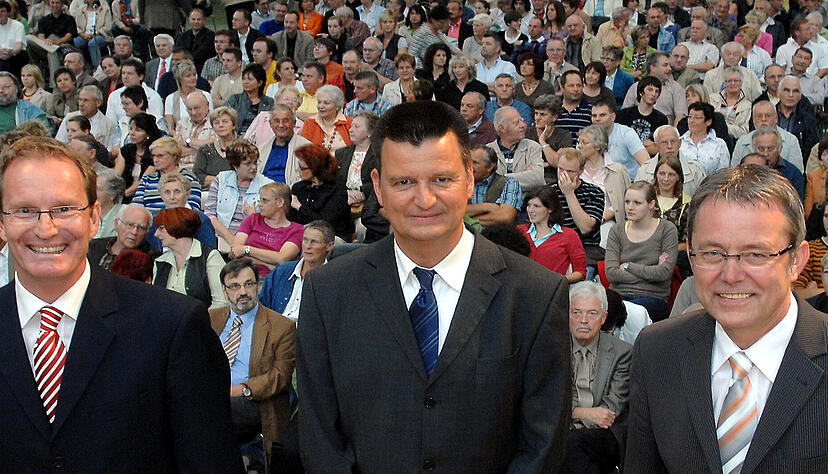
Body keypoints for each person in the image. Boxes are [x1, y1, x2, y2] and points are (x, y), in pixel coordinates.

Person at [296, 99, 570, 472]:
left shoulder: (537, 294)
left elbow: (542, 444)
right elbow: (320, 436)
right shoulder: (327, 292)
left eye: (442, 179)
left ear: (470, 178)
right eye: (403, 182)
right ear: (377, 186)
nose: (424, 200)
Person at [0, 136, 243, 471]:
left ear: (94, 217)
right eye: (25, 210)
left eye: (64, 209)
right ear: (2, 222)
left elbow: (209, 461)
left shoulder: (172, 325)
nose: (46, 229)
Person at [625, 164, 828, 472]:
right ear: (691, 254)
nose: (731, 275)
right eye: (712, 253)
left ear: (796, 260)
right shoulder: (656, 351)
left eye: (756, 254)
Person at [209, 257, 296, 462]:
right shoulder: (210, 319)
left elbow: (280, 377)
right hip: (210, 394)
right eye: (235, 286)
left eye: (249, 284)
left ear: (258, 286)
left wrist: (240, 389)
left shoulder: (281, 326)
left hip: (252, 400)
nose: (243, 292)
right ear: (224, 290)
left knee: (211, 411)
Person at [565, 281, 632, 474]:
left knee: (571, 445)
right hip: (565, 430)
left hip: (605, 432)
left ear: (603, 318)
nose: (583, 320)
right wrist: (581, 414)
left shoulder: (622, 353)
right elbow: (550, 402)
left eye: (591, 313)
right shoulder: (554, 349)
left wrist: (577, 421)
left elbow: (611, 409)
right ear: (567, 316)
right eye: (576, 312)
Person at [605, 181, 678, 322]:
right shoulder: (617, 230)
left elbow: (664, 273)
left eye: (637, 203)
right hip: (619, 295)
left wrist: (628, 267)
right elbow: (611, 273)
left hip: (653, 297)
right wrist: (652, 273)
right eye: (627, 202)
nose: (630, 207)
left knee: (630, 312)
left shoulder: (667, 229)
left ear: (651, 204)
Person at [259, 219, 334, 320]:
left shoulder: (333, 280)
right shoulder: (281, 271)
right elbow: (262, 306)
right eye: (305, 240)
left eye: (314, 242)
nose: (308, 246)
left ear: (329, 246)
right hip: (274, 330)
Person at [152, 207, 227, 309]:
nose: (156, 234)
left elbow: (221, 303)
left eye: (161, 228)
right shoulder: (160, 262)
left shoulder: (209, 257)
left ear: (177, 227)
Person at [206, 139, 275, 248]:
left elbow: (272, 222)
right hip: (221, 238)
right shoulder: (221, 180)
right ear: (235, 166)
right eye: (248, 164)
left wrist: (253, 217)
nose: (254, 167)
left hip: (252, 242)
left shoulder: (268, 185)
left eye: (255, 163)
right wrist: (231, 239)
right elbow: (210, 215)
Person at [230, 182, 303, 277]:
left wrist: (246, 250)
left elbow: (282, 258)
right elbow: (235, 251)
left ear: (280, 202)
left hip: (273, 278)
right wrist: (269, 263)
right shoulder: (252, 219)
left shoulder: (297, 230)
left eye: (265, 200)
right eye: (260, 200)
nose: (259, 204)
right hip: (243, 274)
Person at [518, 186, 586, 281]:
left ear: (550, 208)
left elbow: (580, 272)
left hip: (552, 292)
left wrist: (558, 282)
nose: (530, 210)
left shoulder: (569, 235)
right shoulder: (519, 231)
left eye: (536, 206)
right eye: (529, 205)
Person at [289, 143, 352, 240]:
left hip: (331, 237)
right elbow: (292, 220)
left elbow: (327, 223)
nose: (298, 170)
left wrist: (300, 207)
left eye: (303, 168)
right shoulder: (298, 187)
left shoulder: (337, 190)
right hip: (302, 235)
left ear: (316, 169)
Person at [577, 124, 631, 224]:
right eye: (579, 142)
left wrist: (600, 219)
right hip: (578, 221)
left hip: (606, 220)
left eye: (584, 142)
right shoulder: (576, 169)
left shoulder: (618, 170)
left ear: (598, 146)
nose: (579, 146)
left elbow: (623, 201)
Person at [133, 136, 202, 213]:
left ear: (174, 156)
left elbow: (193, 210)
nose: (155, 160)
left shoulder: (189, 178)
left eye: (160, 156)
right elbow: (136, 208)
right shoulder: (147, 180)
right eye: (153, 156)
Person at [486, 105, 545, 193]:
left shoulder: (533, 147)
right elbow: (485, 182)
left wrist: (499, 180)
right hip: (495, 204)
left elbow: (538, 178)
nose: (523, 125)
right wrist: (525, 175)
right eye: (516, 123)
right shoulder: (487, 150)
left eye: (522, 120)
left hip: (526, 204)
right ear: (502, 128)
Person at [88, 203, 161, 269]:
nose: (134, 232)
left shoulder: (153, 259)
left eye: (141, 228)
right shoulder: (94, 246)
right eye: (129, 225)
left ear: (147, 232)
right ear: (116, 224)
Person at [623, 50, 688, 126]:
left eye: (669, 65)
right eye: (665, 65)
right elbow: (625, 114)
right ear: (653, 67)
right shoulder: (635, 87)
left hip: (665, 132)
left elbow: (680, 116)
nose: (669, 68)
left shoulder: (676, 88)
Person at [652, 154, 691, 276]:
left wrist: (665, 253)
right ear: (656, 175)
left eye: (671, 175)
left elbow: (687, 243)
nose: (666, 179)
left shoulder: (686, 204)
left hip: (674, 256)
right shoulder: (647, 198)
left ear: (678, 177)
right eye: (662, 174)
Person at [466, 145, 523, 226]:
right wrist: (487, 207)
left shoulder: (508, 183)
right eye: (468, 162)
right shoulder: (460, 183)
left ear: (490, 167)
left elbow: (506, 218)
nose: (469, 166)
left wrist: (466, 219)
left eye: (475, 163)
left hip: (496, 237)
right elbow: (453, 213)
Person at [616, 76, 668, 156]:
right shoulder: (623, 114)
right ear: (641, 92)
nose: (653, 94)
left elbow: (660, 146)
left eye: (657, 91)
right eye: (650, 90)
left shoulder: (661, 119)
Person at [335, 110, 377, 208]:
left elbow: (382, 181)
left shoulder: (379, 154)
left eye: (356, 127)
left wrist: (362, 192)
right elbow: (334, 181)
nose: (350, 130)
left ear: (370, 132)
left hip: (370, 203)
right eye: (351, 126)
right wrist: (347, 193)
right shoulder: (341, 153)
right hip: (343, 200)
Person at [529, 94, 573, 183]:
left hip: (554, 181)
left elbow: (558, 163)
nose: (537, 118)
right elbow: (525, 164)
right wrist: (547, 163)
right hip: (531, 179)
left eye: (542, 114)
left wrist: (542, 141)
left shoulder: (564, 136)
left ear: (554, 117)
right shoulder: (528, 134)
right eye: (536, 113)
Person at [679, 102, 730, 175]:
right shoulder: (679, 142)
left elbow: (723, 174)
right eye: (690, 117)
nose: (692, 121)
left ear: (708, 121)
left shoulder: (719, 144)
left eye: (697, 117)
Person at [193, 106, 237, 191]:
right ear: (213, 127)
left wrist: (213, 179)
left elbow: (244, 175)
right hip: (208, 192)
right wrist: (224, 180)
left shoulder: (242, 149)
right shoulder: (205, 150)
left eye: (225, 122)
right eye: (216, 123)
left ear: (234, 125)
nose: (221, 125)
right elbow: (198, 175)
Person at [300, 84, 352, 153]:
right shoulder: (310, 123)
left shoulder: (349, 123)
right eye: (319, 102)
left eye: (326, 103)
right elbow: (303, 151)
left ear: (337, 106)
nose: (321, 106)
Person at [227, 63, 275, 136]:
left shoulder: (269, 102)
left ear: (260, 82)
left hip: (260, 137)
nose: (245, 82)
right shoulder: (235, 99)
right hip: (237, 137)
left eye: (250, 79)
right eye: (244, 79)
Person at [708, 67, 751, 139]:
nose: (733, 83)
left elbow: (744, 131)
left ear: (741, 83)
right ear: (724, 83)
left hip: (734, 140)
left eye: (736, 81)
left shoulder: (747, 105)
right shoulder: (712, 99)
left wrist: (723, 126)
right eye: (729, 81)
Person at [94, 167, 126, 239]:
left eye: (98, 189)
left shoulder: (123, 215)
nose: (92, 193)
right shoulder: (88, 215)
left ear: (112, 194)